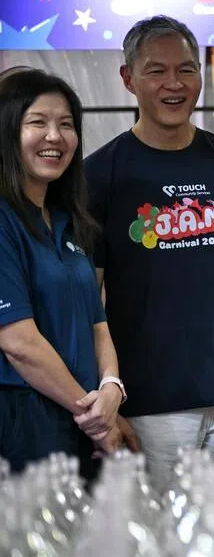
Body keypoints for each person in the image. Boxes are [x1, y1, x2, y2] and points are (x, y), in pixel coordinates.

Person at [85, 16, 214, 489]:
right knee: (160, 546)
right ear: (128, 78)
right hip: (148, 404)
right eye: (156, 71)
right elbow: (88, 298)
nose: (174, 84)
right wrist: (105, 397)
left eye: (187, 70)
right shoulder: (98, 174)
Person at [0, 71, 134, 475]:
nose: (55, 137)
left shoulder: (69, 221)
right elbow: (17, 341)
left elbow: (98, 324)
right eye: (38, 122)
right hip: (24, 420)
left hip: (80, 415)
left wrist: (112, 389)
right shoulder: (4, 220)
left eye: (66, 124)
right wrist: (95, 418)